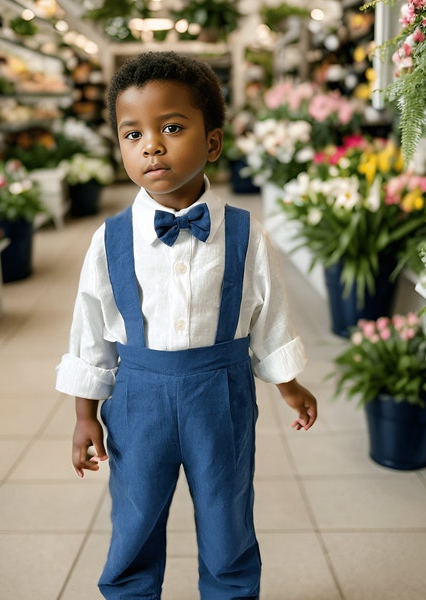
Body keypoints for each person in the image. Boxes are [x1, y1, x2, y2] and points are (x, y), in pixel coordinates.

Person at [55, 50, 318, 600]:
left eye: (171, 127)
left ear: (213, 142)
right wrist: (85, 416)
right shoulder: (110, 239)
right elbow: (92, 330)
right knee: (136, 513)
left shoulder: (248, 234)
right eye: (132, 134)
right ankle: (128, 590)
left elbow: (268, 316)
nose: (151, 144)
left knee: (227, 514)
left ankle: (230, 591)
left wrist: (289, 385)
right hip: (136, 398)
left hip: (220, 396)